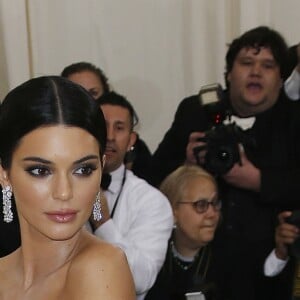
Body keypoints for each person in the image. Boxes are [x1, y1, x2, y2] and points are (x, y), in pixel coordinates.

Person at [146, 26, 300, 299]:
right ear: (229, 74)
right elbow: (152, 179)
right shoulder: (195, 111)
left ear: (280, 79)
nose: (255, 72)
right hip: (196, 268)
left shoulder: (293, 121)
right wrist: (185, 164)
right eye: (246, 63)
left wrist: (258, 180)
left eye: (268, 65)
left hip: (265, 271)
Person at [0, 76, 135, 299]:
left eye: (83, 170)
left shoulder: (101, 269)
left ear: (101, 167)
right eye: (41, 171)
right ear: (4, 174)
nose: (64, 192)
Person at [87, 91, 173, 300]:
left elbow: (142, 280)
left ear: (131, 140)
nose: (109, 136)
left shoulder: (151, 201)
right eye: (103, 125)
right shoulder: (59, 189)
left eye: (119, 128)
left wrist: (102, 221)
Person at [61, 61, 152, 181]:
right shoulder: (50, 140)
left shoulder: (133, 148)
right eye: (76, 94)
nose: (86, 101)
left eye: (93, 93)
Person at [145, 165, 221, 300]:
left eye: (214, 203)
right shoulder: (152, 258)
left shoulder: (231, 259)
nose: (212, 213)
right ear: (173, 211)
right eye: (201, 205)